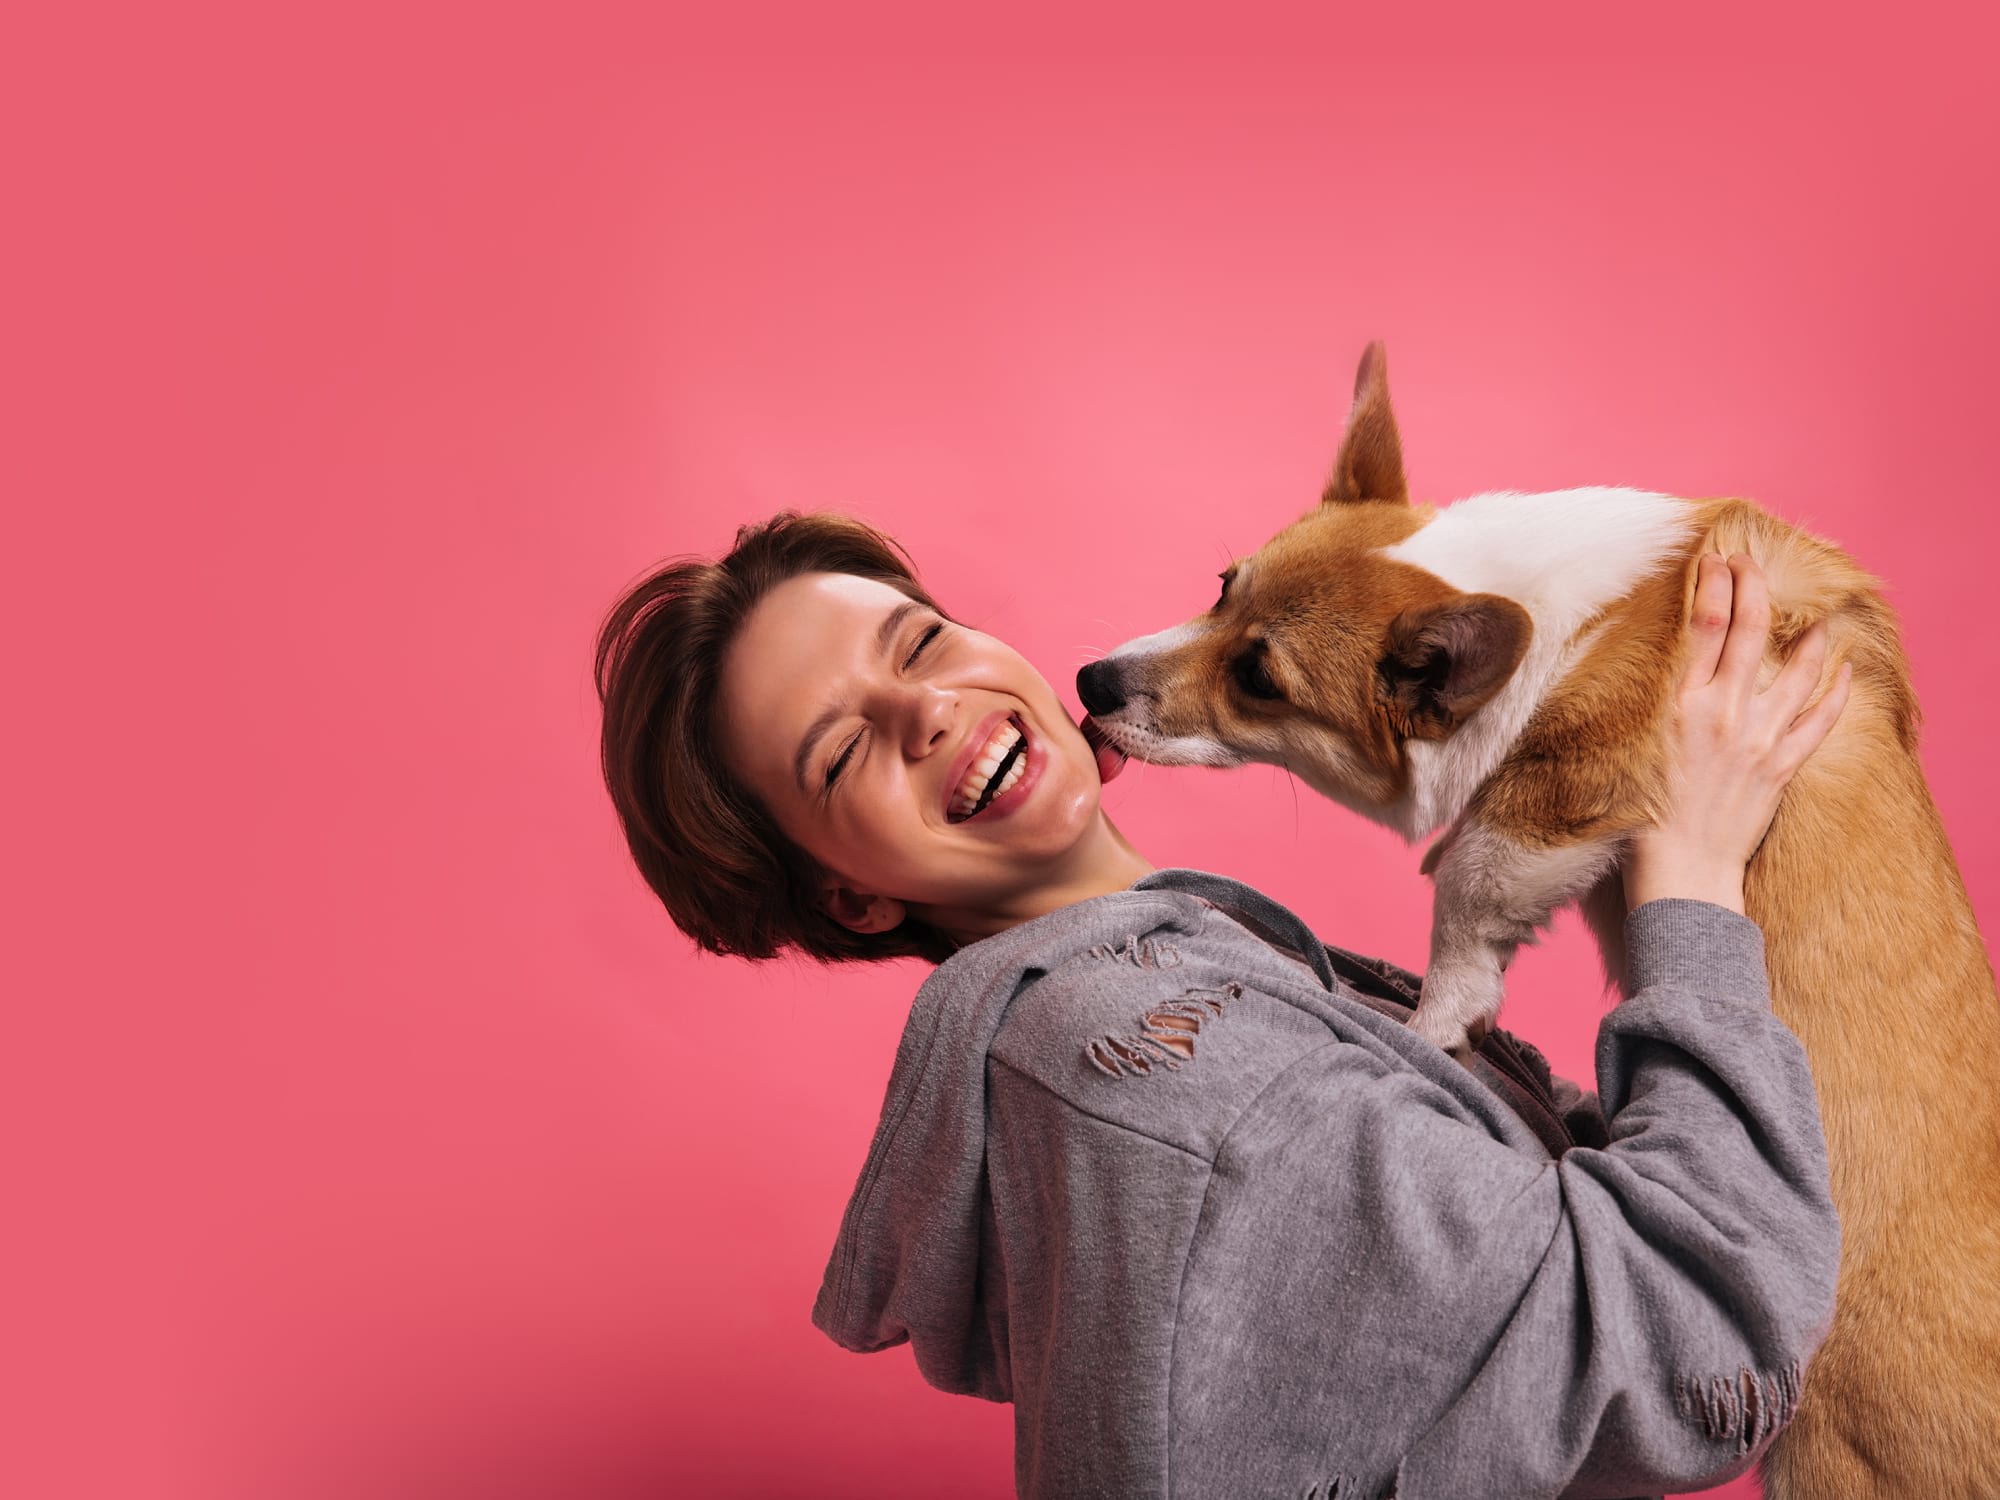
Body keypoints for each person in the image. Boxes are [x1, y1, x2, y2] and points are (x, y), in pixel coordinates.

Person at [594, 510, 1849, 1500]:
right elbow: (1702, 1340)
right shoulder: (1166, 1076)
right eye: (840, 752)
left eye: (919, 644)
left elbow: (1550, 1241)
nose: (923, 710)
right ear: (853, 899)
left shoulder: (1179, 990)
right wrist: (1690, 875)